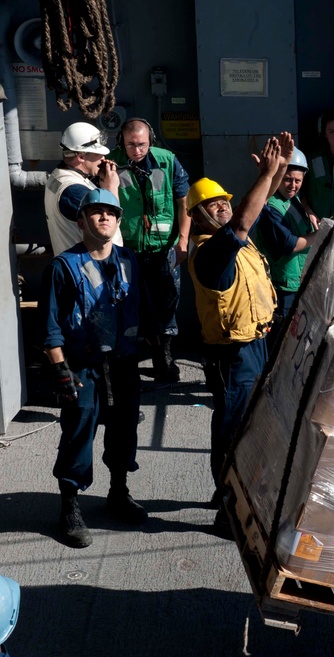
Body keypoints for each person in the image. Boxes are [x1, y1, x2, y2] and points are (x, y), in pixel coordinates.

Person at [186, 133, 292, 523]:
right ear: (196, 216)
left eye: (224, 201)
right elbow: (246, 219)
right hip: (233, 356)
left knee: (253, 426)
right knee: (233, 430)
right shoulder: (212, 251)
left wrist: (279, 168)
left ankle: (238, 494)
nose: (222, 207)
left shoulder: (235, 241)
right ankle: (227, 508)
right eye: (211, 205)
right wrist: (266, 172)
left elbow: (255, 207)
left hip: (257, 345)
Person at [40, 188, 147, 549]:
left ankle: (118, 492)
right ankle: (69, 506)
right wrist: (60, 371)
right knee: (78, 434)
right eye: (96, 212)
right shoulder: (63, 267)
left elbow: (140, 310)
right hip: (83, 366)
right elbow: (50, 327)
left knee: (124, 430)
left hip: (123, 364)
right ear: (81, 220)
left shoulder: (129, 259)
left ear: (117, 221)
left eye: (110, 213)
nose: (104, 217)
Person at [108, 118, 192, 382]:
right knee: (133, 305)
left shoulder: (166, 161)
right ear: (122, 141)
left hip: (163, 248)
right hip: (129, 250)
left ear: (150, 141)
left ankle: (164, 358)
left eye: (142, 145)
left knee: (167, 302)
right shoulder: (111, 163)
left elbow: (184, 201)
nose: (137, 151)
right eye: (131, 145)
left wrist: (183, 242)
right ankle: (142, 355)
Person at [252, 147, 318, 351]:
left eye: (298, 181)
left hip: (297, 282)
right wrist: (320, 235)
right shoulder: (271, 207)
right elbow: (289, 244)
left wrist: (309, 212)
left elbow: (301, 203)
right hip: (282, 286)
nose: (293, 185)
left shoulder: (292, 199)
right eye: (288, 179)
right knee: (279, 343)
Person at [44, 122, 124, 256]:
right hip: (89, 270)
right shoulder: (75, 192)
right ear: (81, 156)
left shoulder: (58, 176)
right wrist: (111, 189)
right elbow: (108, 233)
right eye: (98, 154)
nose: (103, 159)